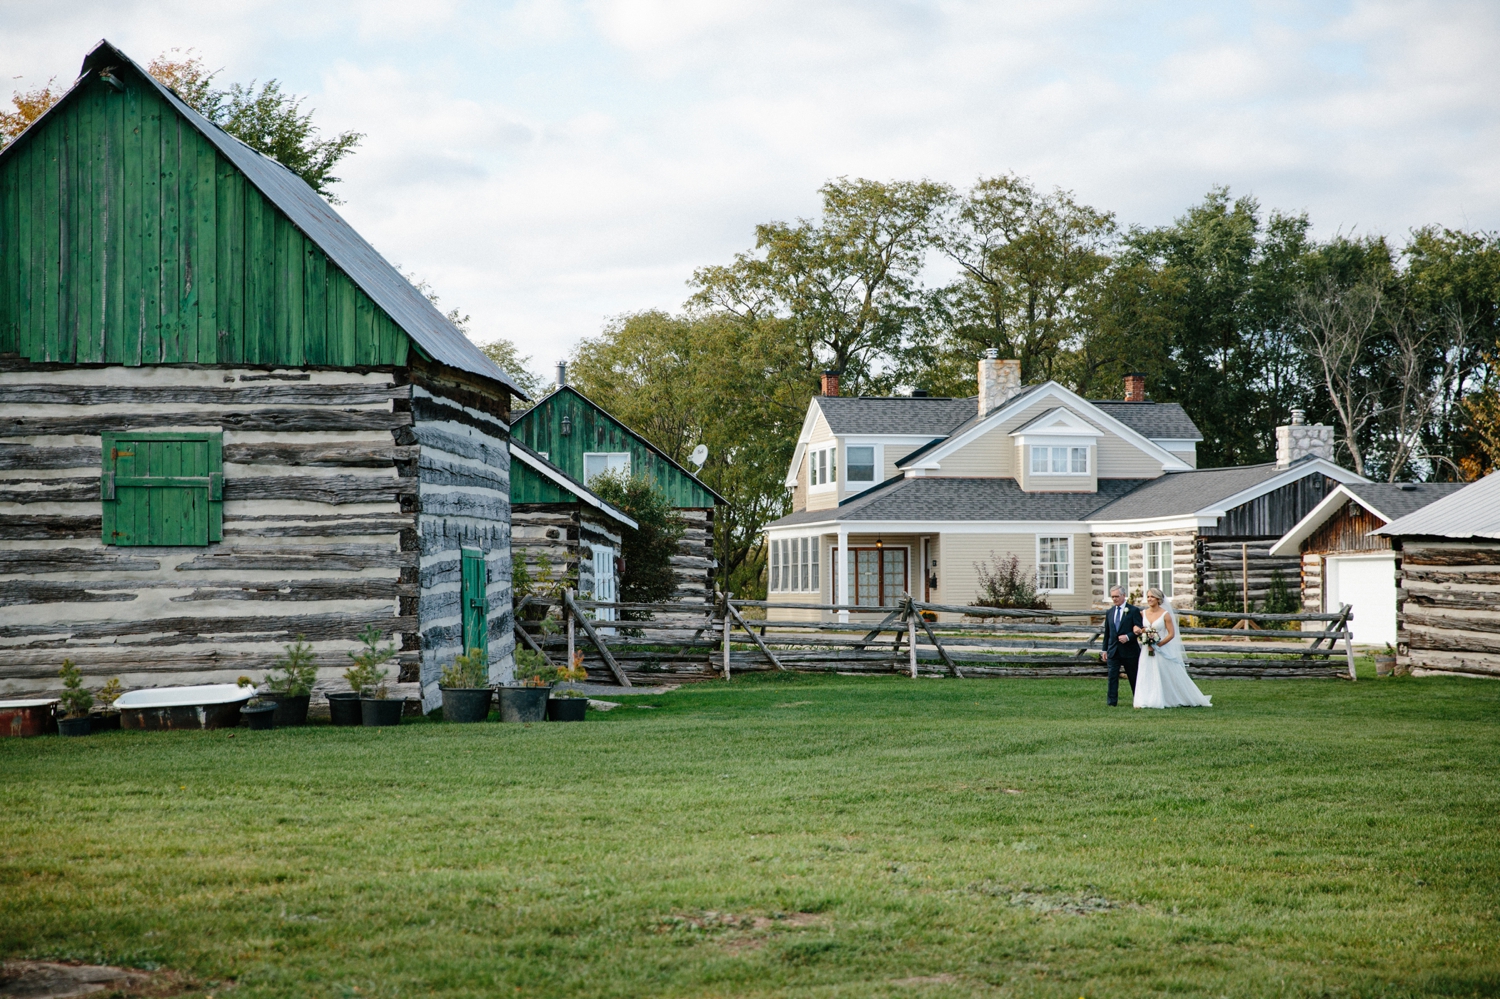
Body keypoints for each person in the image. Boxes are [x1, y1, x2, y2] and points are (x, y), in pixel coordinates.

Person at [1132, 587, 1212, 709]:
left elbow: (1171, 634)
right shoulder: (1142, 613)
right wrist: (1141, 632)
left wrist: (1158, 644)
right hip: (1146, 649)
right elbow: (1136, 626)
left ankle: (1168, 697)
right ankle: (1144, 699)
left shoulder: (1165, 615)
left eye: (1152, 597)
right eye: (1148, 596)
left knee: (1164, 672)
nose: (1149, 599)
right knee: (1146, 672)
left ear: (1158, 599)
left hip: (1161, 648)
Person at [1100, 585, 1142, 706]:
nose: (1114, 599)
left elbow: (1139, 629)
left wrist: (1128, 637)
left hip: (1130, 651)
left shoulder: (1133, 610)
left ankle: (1138, 700)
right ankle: (1111, 702)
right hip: (1113, 651)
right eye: (1112, 597)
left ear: (1123, 596)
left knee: (1133, 676)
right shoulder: (1110, 612)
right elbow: (1107, 633)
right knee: (1112, 677)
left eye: (1117, 596)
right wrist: (1104, 650)